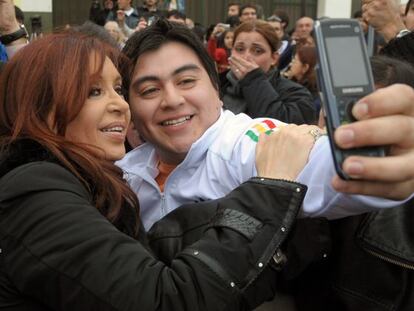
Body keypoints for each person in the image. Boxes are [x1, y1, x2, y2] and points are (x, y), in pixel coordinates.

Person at [0, 30, 318, 311]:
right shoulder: (35, 191)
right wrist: (271, 188)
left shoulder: (95, 181)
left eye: (118, 89)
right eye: (94, 91)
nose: (119, 105)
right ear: (39, 106)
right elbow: (166, 299)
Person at [118, 19, 414, 231]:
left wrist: (390, 155)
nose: (171, 99)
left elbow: (320, 166)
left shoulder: (245, 145)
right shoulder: (124, 172)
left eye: (186, 81)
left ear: (215, 88)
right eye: (149, 90)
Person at [220, 20, 316, 124]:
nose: (246, 57)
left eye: (257, 51)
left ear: (274, 58)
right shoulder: (216, 84)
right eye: (239, 49)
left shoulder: (296, 94)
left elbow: (281, 127)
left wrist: (253, 81)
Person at [283, 45, 320, 113]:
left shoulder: (308, 98)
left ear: (305, 67)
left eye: (295, 60)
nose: (291, 64)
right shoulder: (293, 84)